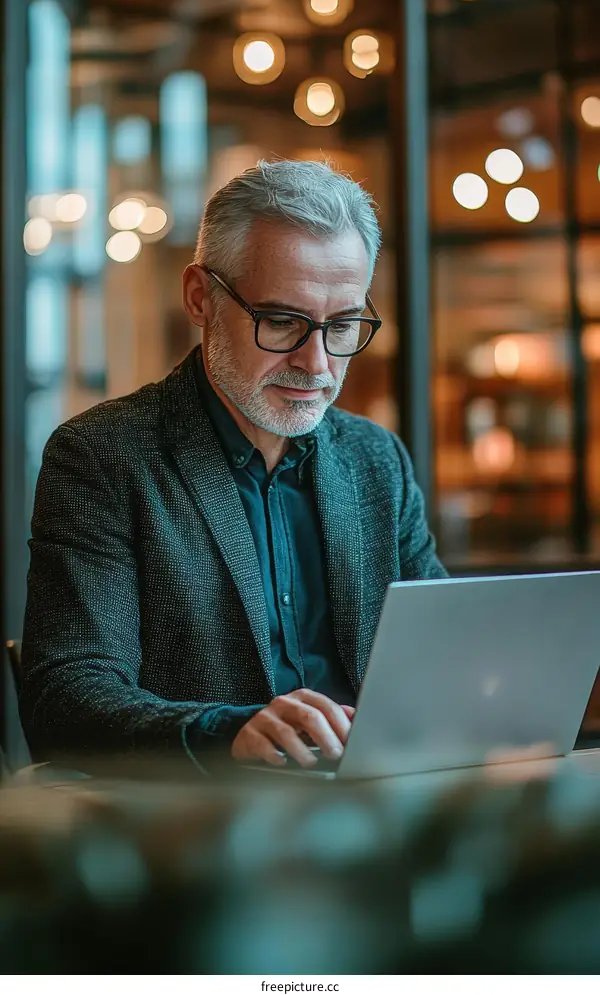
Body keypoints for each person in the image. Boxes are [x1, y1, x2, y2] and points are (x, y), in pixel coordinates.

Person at [20, 160, 446, 774]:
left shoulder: (376, 458)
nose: (318, 365)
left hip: (383, 810)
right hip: (202, 832)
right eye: (281, 322)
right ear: (201, 298)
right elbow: (65, 698)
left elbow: (442, 654)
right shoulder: (105, 456)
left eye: (344, 325)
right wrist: (228, 733)